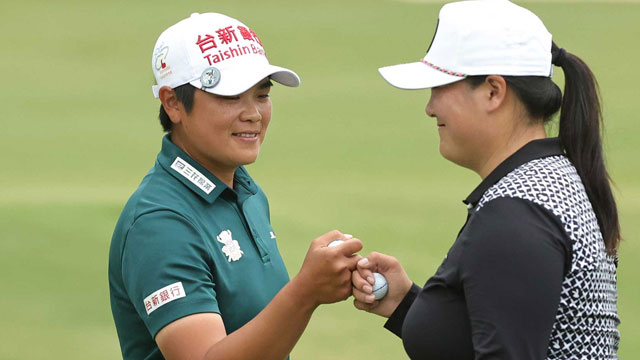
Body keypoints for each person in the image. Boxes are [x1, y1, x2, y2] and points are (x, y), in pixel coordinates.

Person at [351, 1, 621, 359]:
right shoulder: (552, 179)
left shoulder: (515, 216)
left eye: (440, 87)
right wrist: (408, 305)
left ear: (494, 91)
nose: (429, 107)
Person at [108, 12, 362, 360]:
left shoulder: (245, 190)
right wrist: (305, 292)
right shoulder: (159, 224)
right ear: (173, 103)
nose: (253, 114)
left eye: (261, 95)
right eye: (230, 97)